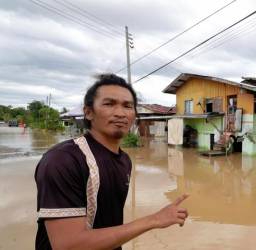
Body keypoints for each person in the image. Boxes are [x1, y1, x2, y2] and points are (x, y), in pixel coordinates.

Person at [35, 74, 189, 250]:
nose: (120, 113)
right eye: (109, 104)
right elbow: (69, 245)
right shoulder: (64, 160)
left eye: (127, 106)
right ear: (88, 112)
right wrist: (154, 220)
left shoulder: (124, 160)